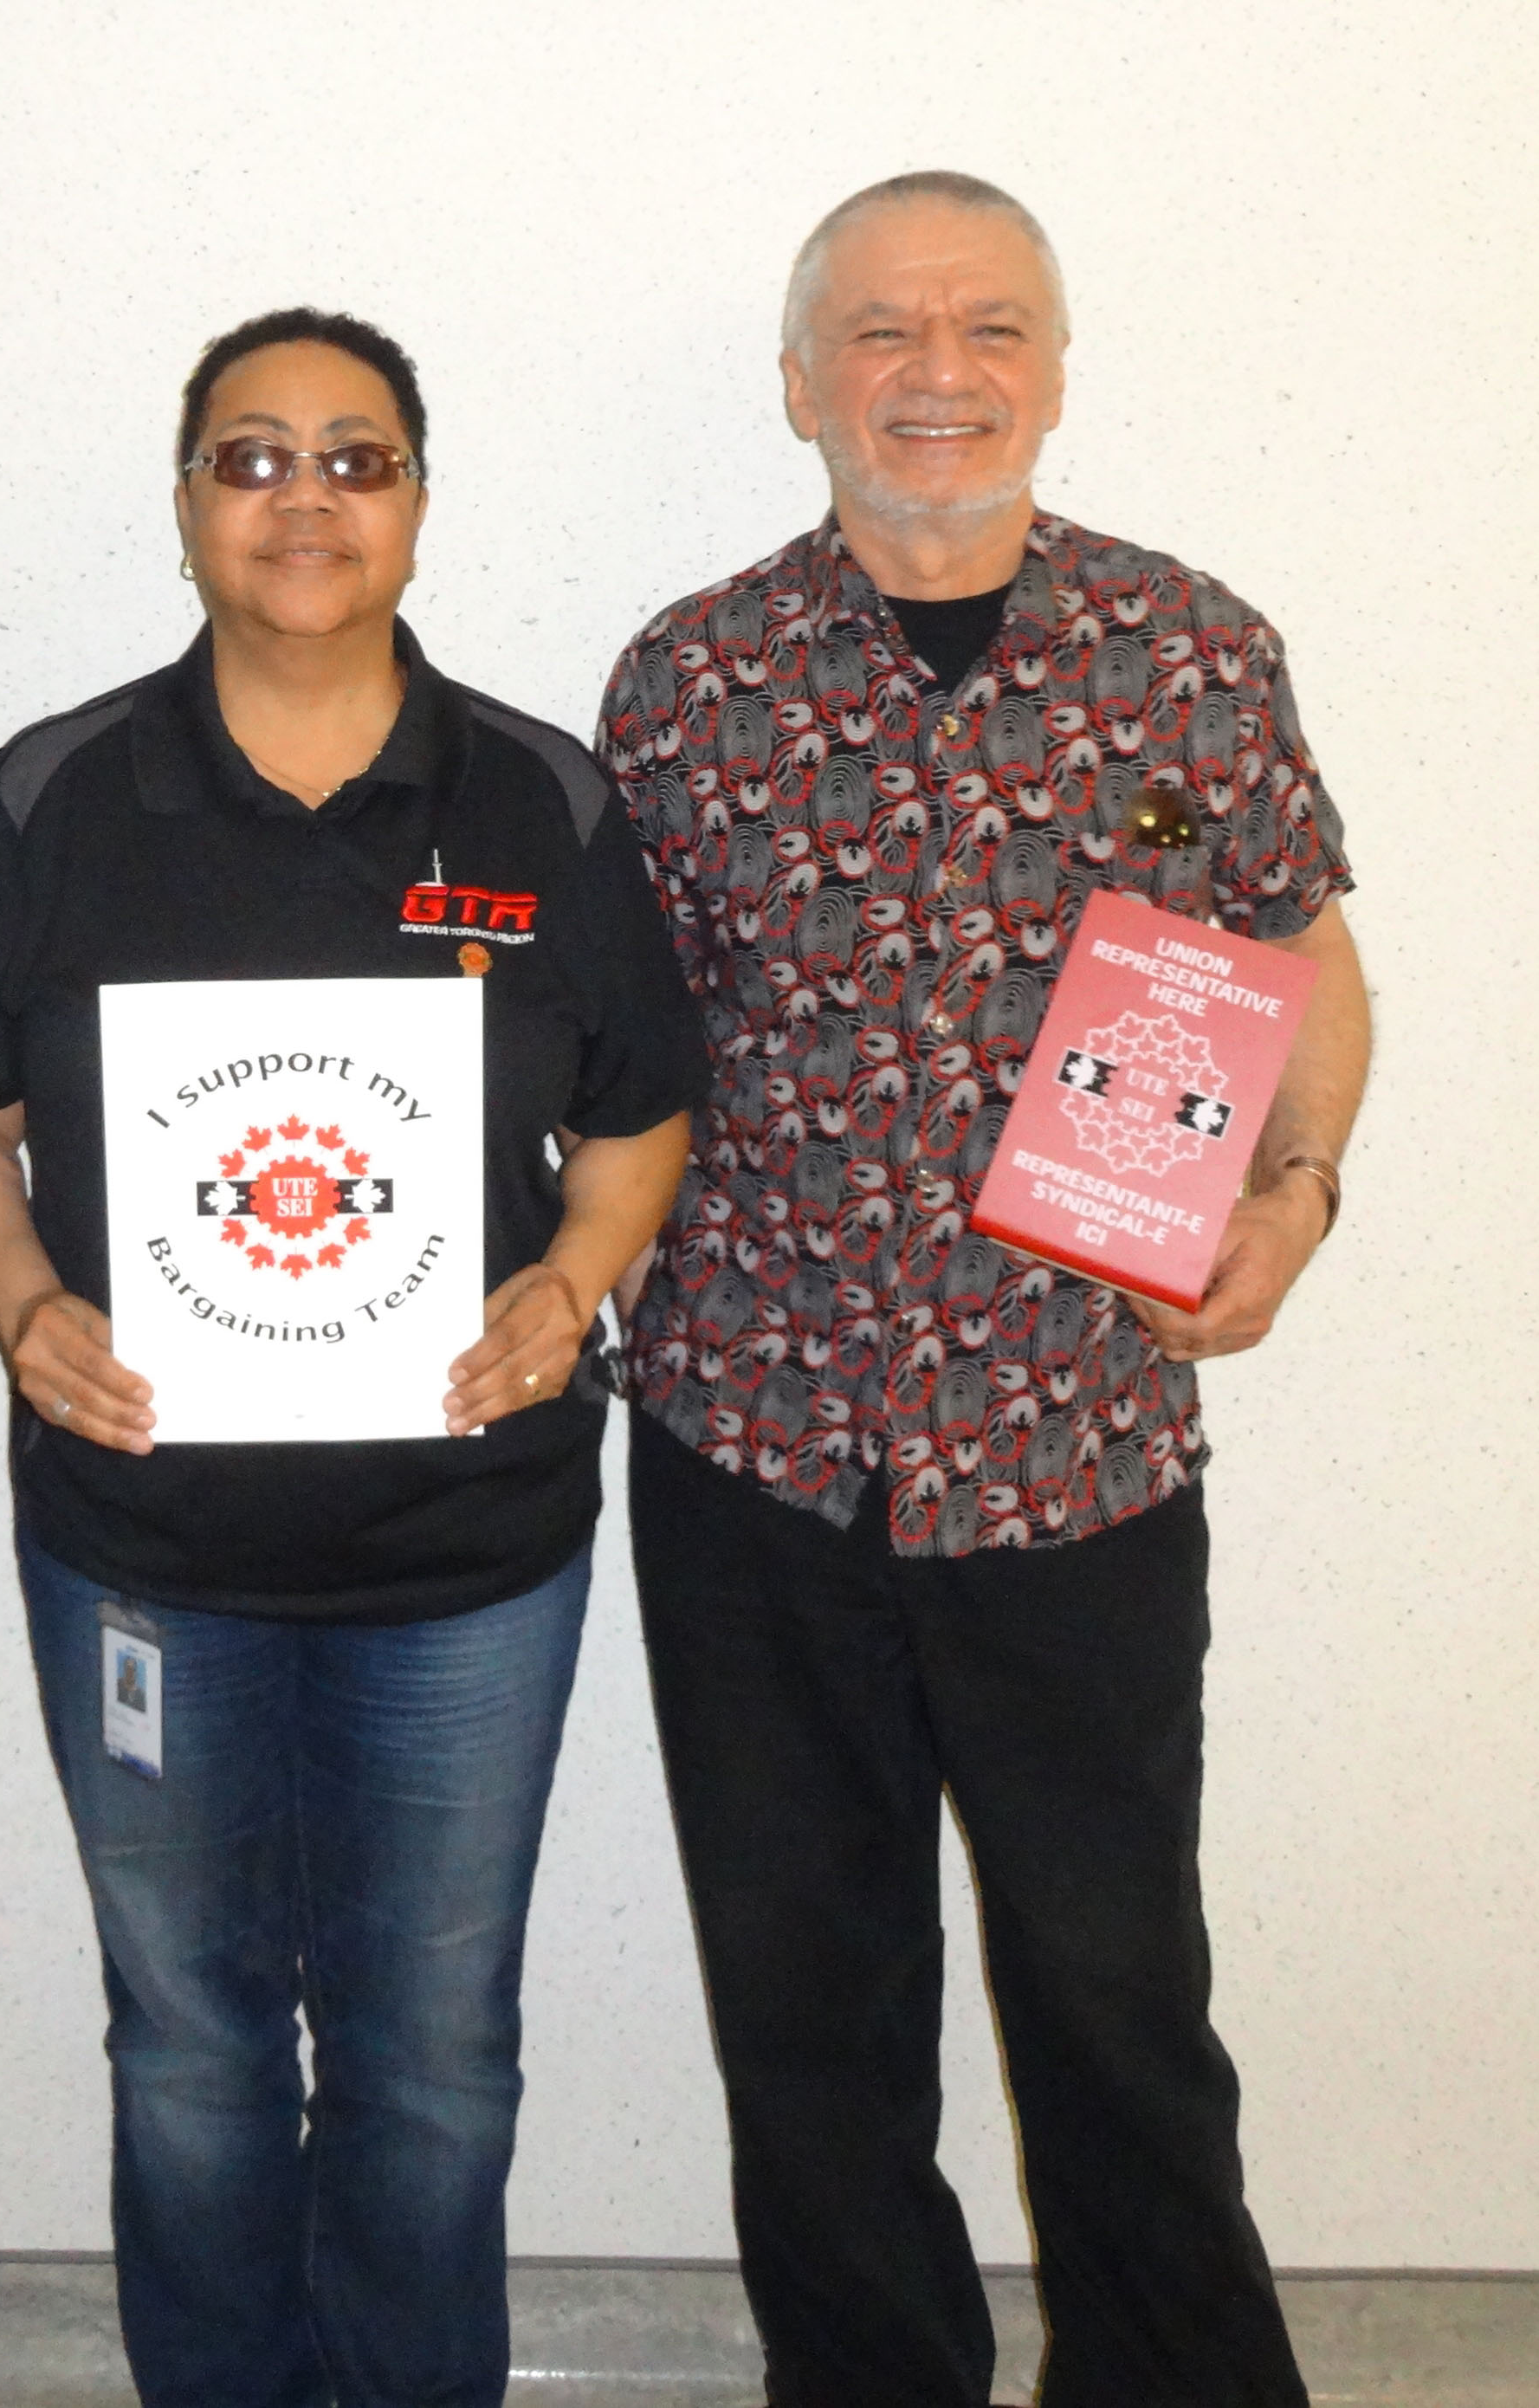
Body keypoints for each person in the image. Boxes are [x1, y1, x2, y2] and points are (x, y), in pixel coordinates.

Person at [599, 172, 1369, 2408]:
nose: (934, 373)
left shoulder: (1187, 653)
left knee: (1112, 1999)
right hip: (751, 1454)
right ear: (795, 382)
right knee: (807, 2018)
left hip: (1071, 1446)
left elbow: (1298, 955)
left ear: (1050, 370)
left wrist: (1292, 1196)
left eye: (987, 327)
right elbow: (613, 1053)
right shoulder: (684, 681)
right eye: (878, 331)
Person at [0, 308, 701, 2408]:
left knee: (435, 2057)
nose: (304, 499)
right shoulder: (50, 796)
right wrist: (24, 1304)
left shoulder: (543, 800)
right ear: (185, 505)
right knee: (187, 2041)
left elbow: (638, 1116)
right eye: (250, 457)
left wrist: (574, 1279)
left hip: (468, 1558)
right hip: (142, 1555)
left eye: (356, 458)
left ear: (417, 503)